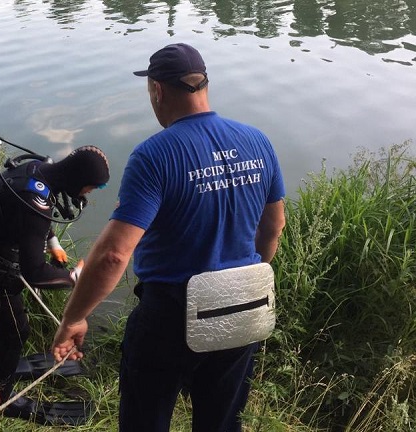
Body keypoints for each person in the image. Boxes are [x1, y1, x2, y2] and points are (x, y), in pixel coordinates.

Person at [52, 43, 286, 431]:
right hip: (243, 305)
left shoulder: (154, 155)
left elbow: (113, 255)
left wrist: (74, 317)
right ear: (203, 84)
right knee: (222, 422)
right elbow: (273, 228)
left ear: (157, 90)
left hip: (172, 313)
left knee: (146, 419)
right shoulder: (258, 141)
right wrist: (245, 277)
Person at [0, 145, 110, 412]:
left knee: (1, 323)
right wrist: (76, 278)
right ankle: (0, 399)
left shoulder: (37, 169)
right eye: (92, 187)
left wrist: (54, 243)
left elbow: (28, 219)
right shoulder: (36, 201)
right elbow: (34, 273)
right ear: (78, 179)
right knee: (16, 331)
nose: (90, 193)